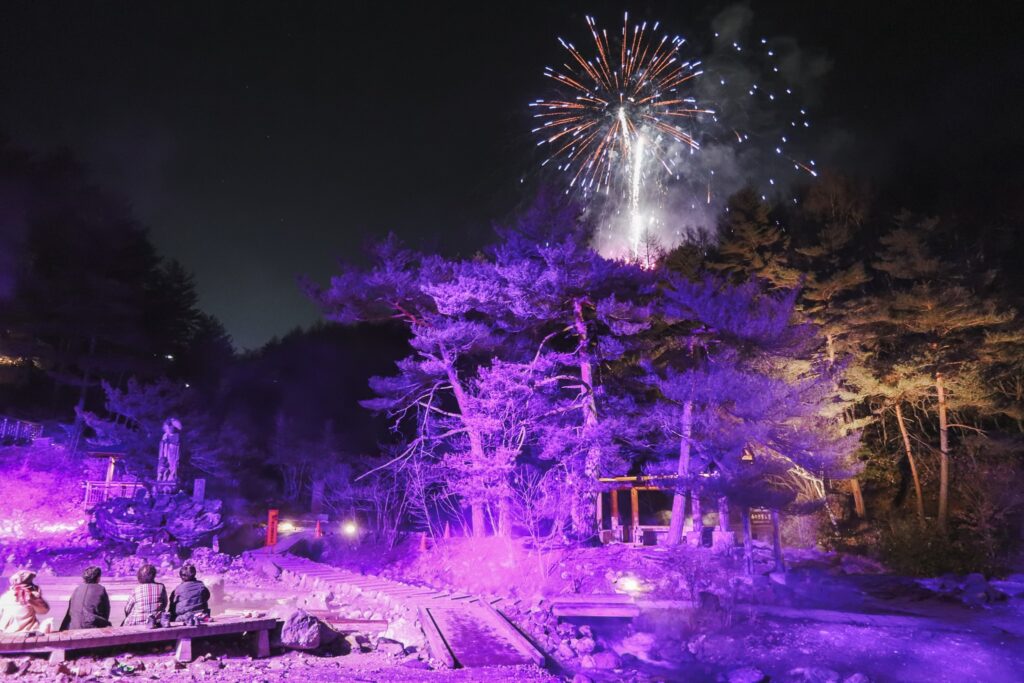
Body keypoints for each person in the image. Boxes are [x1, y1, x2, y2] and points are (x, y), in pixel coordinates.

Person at [60, 566, 110, 630]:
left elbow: (69, 612)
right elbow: (106, 612)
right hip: (92, 627)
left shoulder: (77, 589)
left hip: (72, 627)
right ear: (98, 578)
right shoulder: (101, 589)